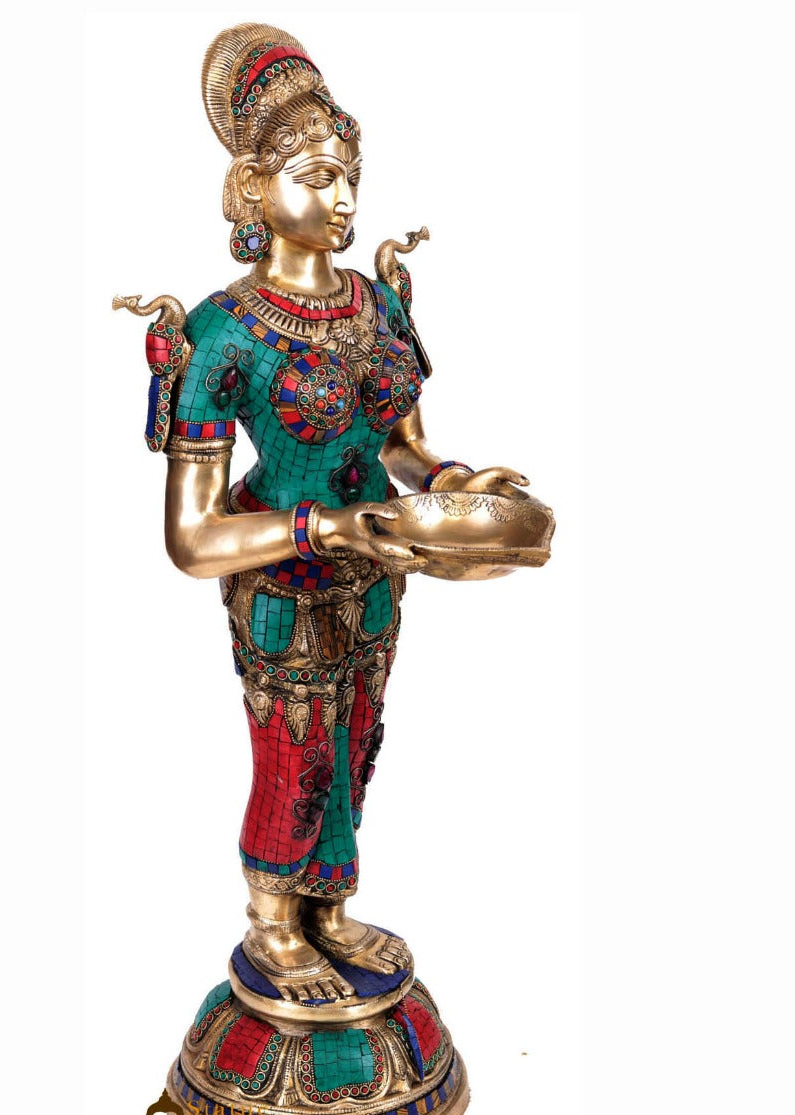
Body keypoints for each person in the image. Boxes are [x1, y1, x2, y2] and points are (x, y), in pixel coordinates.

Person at [121, 23, 528, 1004]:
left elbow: (402, 447)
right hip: (285, 580)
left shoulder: (376, 305)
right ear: (254, 189)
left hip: (380, 568)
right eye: (316, 176)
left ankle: (329, 908)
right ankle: (273, 922)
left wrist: (456, 480)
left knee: (357, 744)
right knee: (294, 757)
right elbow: (192, 538)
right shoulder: (223, 333)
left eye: (351, 176)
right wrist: (323, 530)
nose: (342, 197)